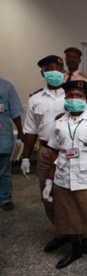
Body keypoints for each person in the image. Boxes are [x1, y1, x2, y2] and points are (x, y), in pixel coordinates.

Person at [44, 80, 87, 276]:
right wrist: (50, 181)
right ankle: (75, 250)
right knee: (68, 218)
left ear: (85, 99)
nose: (75, 99)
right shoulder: (59, 122)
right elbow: (54, 153)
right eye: (71, 96)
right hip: (63, 177)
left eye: (79, 96)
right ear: (66, 98)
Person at [20, 55, 76, 252]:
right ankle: (62, 233)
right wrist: (25, 156)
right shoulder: (35, 98)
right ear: (43, 72)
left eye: (57, 68)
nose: (54, 71)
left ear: (63, 71)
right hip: (45, 151)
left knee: (73, 195)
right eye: (49, 68)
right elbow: (30, 130)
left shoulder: (73, 94)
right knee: (48, 194)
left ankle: (81, 235)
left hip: (69, 151)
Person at [0, 77, 24, 211]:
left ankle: (5, 198)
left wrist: (20, 131)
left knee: (4, 170)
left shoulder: (6, 86)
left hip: (2, 135)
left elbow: (15, 110)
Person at [64, 47, 87, 111]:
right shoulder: (61, 77)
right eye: (68, 57)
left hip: (78, 112)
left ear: (79, 60)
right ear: (65, 59)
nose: (71, 59)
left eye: (74, 57)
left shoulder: (85, 79)